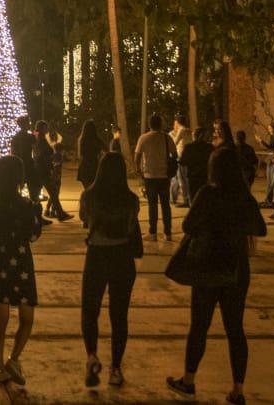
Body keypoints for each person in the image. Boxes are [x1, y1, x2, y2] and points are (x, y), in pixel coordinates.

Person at [167, 147, 268, 405]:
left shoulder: (207, 194)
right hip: (235, 268)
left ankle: (189, 381)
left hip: (208, 266)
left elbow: (187, 225)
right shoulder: (244, 198)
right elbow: (260, 229)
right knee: (235, 330)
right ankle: (238, 389)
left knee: (200, 325)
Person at [79, 151, 142, 388]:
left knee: (90, 309)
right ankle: (116, 368)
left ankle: (92, 356)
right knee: (119, 314)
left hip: (97, 254)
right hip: (122, 257)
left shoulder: (89, 196)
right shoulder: (131, 199)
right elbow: (131, 226)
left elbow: (85, 219)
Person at [0, 155, 40, 386]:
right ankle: (13, 358)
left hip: (1, 261)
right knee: (27, 317)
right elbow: (33, 236)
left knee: (0, 319)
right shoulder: (25, 205)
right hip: (22, 261)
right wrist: (36, 215)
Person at [134, 113, 178, 240]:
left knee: (152, 205)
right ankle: (167, 233)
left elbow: (137, 156)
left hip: (149, 176)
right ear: (161, 124)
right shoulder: (167, 138)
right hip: (164, 176)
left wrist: (138, 170)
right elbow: (174, 154)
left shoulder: (143, 138)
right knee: (165, 205)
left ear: (149, 124)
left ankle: (152, 233)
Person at [33, 121, 72, 221]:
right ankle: (58, 214)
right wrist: (50, 168)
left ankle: (57, 213)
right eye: (45, 127)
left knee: (49, 192)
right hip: (44, 169)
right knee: (52, 192)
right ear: (42, 128)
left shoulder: (37, 138)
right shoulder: (41, 139)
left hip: (39, 168)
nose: (47, 130)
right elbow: (45, 154)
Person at [179, 128, 214, 206]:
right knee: (205, 200)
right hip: (205, 176)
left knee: (194, 199)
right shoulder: (209, 147)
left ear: (195, 135)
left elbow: (182, 162)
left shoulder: (189, 147)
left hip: (193, 177)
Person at [259, 122, 274, 206]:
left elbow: (271, 147)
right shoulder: (273, 137)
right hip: (271, 159)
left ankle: (271, 200)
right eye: (268, 129)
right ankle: (268, 199)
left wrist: (261, 141)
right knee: (269, 181)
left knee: (272, 181)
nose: (269, 130)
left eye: (270, 128)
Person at [45, 125, 66, 218]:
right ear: (61, 150)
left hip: (53, 177)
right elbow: (57, 167)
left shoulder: (53, 156)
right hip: (56, 178)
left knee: (53, 194)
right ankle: (52, 211)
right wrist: (56, 177)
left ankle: (48, 210)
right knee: (55, 194)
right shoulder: (58, 156)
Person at [76, 120, 103, 189]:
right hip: (94, 165)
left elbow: (80, 155)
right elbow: (105, 149)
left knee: (87, 187)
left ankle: (87, 199)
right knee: (94, 187)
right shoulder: (96, 139)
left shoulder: (81, 139)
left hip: (84, 165)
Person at [170, 117, 191, 205]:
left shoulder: (181, 130)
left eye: (175, 123)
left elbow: (175, 142)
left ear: (178, 123)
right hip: (186, 156)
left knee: (182, 179)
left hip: (181, 156)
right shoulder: (188, 130)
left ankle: (186, 200)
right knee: (177, 178)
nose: (174, 125)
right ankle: (172, 198)